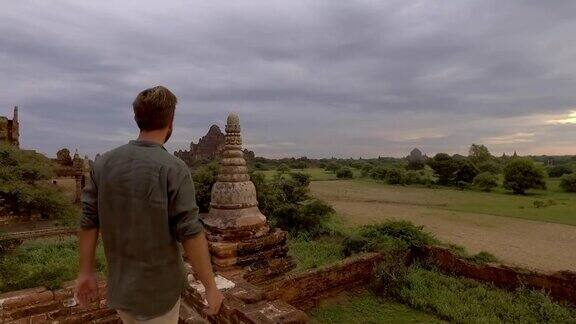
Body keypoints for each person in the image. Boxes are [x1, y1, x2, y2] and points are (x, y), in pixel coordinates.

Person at [74, 86, 224, 323]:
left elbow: (88, 222)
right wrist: (211, 286)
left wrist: (85, 272)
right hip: (159, 294)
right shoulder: (174, 168)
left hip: (121, 288)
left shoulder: (103, 164)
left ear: (137, 119)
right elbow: (190, 232)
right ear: (170, 121)